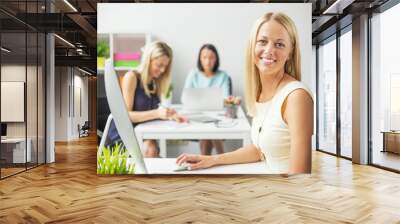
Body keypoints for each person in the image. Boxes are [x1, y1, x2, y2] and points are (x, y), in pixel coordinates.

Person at [176, 12, 314, 174]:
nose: (269, 50)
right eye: (262, 41)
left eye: (279, 44)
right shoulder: (260, 94)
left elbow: (300, 179)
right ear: (252, 47)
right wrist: (211, 159)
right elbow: (259, 150)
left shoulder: (297, 97)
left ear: (290, 52)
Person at [108, 41, 187, 158]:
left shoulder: (155, 82)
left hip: (142, 134)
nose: (162, 70)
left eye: (165, 66)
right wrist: (157, 113)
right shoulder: (132, 77)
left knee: (153, 151)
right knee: (151, 150)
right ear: (148, 60)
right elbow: (126, 116)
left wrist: (168, 115)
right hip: (123, 137)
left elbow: (151, 110)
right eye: (159, 65)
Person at [183, 44, 231, 155]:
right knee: (208, 132)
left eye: (211, 57)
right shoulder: (193, 74)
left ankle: (206, 162)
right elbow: (185, 98)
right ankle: (222, 157)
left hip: (218, 117)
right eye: (204, 57)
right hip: (197, 116)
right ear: (200, 59)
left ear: (216, 59)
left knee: (210, 132)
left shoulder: (223, 76)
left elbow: (226, 98)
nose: (208, 61)